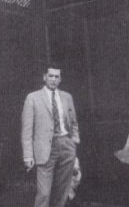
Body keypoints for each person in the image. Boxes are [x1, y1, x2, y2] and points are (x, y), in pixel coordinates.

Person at [22, 67, 80, 207]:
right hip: (45, 148)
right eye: (51, 76)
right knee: (44, 193)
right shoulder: (33, 97)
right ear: (44, 77)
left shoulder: (67, 97)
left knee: (63, 191)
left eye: (57, 77)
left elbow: (73, 122)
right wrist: (28, 155)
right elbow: (27, 129)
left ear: (60, 79)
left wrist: (74, 141)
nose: (53, 79)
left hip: (66, 145)